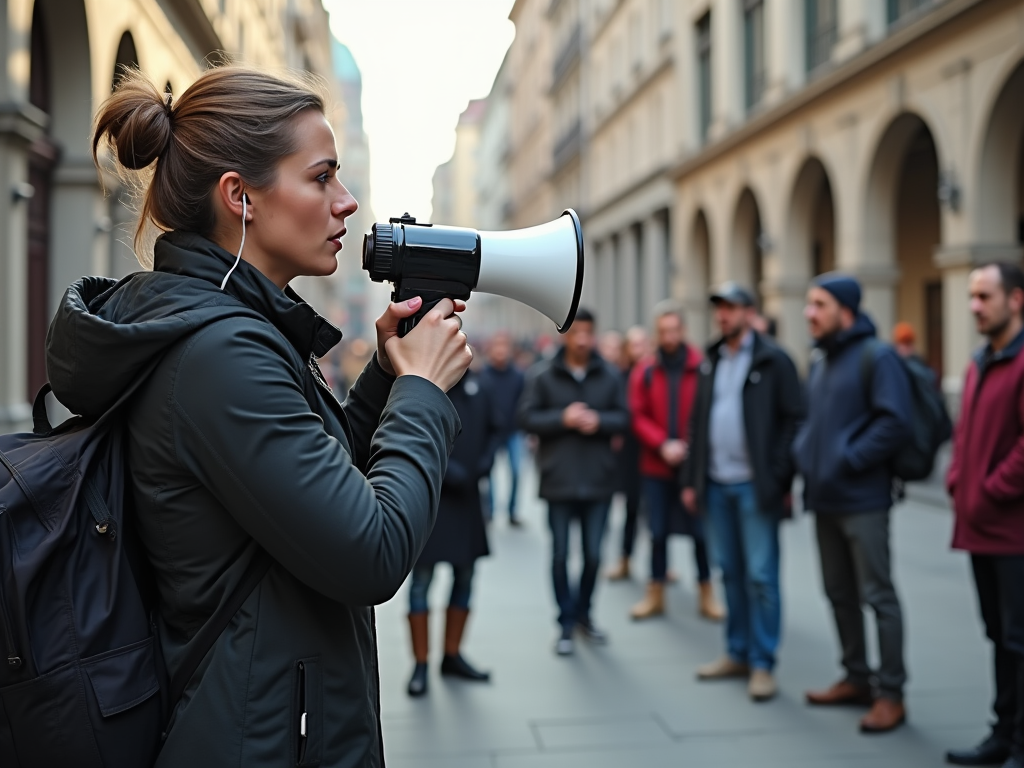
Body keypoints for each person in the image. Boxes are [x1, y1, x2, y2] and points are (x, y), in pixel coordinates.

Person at [47, 67, 473, 767]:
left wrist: (382, 380)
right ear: (239, 196)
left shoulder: (229, 327)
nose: (347, 201)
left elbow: (308, 488)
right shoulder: (223, 352)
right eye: (322, 177)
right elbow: (371, 552)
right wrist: (423, 392)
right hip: (262, 739)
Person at [793, 273, 912, 734]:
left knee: (879, 596)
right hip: (824, 500)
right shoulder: (821, 360)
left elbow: (894, 422)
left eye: (818, 305)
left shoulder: (877, 357)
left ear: (845, 310)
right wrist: (805, 454)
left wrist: (848, 458)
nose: (809, 313)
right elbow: (809, 420)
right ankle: (856, 677)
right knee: (839, 594)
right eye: (807, 303)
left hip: (863, 500)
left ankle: (892, 693)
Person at [682, 283, 803, 702]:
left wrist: (777, 474)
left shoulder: (774, 360)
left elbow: (795, 420)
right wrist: (691, 480)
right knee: (730, 573)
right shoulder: (711, 359)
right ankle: (736, 652)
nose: (723, 316)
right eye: (719, 308)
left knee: (761, 576)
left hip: (755, 488)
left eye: (731, 308)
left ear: (750, 313)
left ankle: (763, 662)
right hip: (715, 484)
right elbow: (698, 420)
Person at [945, 263, 1024, 768]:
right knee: (998, 634)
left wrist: (992, 488)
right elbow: (966, 431)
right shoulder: (979, 361)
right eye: (972, 296)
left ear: (1015, 300)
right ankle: (1003, 732)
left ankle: (1020, 743)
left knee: (1020, 639)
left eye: (985, 296)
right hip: (979, 528)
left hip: (1013, 529)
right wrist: (957, 477)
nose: (975, 305)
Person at [519, 308, 629, 656]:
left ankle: (585, 614)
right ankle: (565, 622)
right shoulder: (542, 375)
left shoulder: (610, 375)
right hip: (559, 479)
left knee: (595, 555)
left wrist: (600, 421)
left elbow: (624, 417)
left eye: (588, 333)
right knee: (561, 555)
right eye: (576, 333)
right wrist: (563, 418)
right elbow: (526, 417)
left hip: (598, 480)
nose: (583, 340)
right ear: (564, 334)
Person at [406, 370, 501, 697]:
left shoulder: (479, 388)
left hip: (469, 500)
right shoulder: (423, 384)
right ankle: (420, 664)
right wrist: (445, 468)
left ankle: (452, 654)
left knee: (465, 578)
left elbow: (495, 429)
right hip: (433, 499)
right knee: (421, 584)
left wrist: (486, 461)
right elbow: (409, 434)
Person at [629, 302, 724, 622]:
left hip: (692, 466)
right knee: (657, 532)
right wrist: (661, 444)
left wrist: (689, 447)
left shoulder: (703, 366)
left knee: (700, 533)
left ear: (683, 330)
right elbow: (637, 414)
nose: (669, 336)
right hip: (655, 465)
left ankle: (706, 591)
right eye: (663, 331)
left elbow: (712, 412)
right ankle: (655, 593)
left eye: (674, 330)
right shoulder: (645, 370)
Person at [607, 326, 650, 581]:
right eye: (634, 344)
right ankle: (625, 558)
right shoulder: (620, 376)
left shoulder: (654, 373)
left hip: (653, 449)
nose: (640, 349)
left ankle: (661, 566)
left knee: (656, 512)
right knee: (632, 507)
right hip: (630, 451)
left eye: (643, 343)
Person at [480, 331, 526, 526]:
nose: (500, 350)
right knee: (488, 473)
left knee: (516, 470)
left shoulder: (518, 376)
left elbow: (524, 403)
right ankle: (489, 510)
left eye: (504, 346)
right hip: (489, 432)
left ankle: (512, 511)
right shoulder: (483, 375)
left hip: (513, 430)